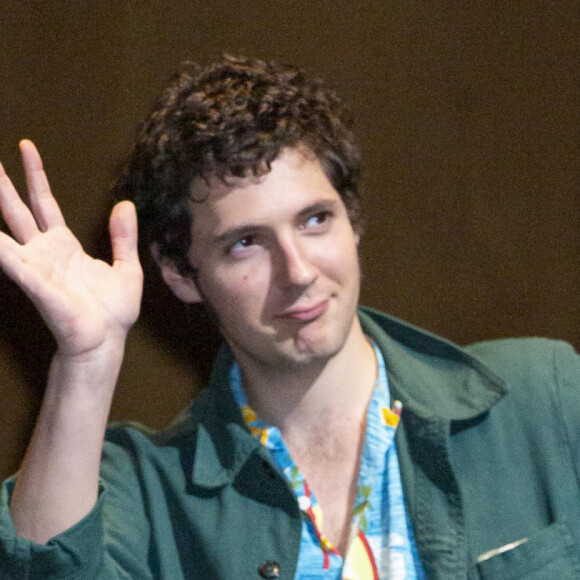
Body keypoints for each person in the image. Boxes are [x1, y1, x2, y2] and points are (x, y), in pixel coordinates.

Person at [0, 55, 579, 580]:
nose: (298, 270)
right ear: (180, 274)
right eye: (246, 242)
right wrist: (87, 361)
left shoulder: (540, 400)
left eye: (315, 220)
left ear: (352, 220)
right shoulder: (150, 492)